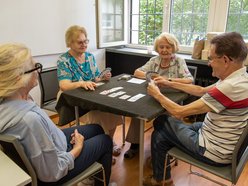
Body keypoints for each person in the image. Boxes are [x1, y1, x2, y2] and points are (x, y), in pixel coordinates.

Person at [143, 32, 248, 185]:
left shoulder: (228, 87)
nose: (209, 63)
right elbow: (200, 90)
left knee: (161, 121)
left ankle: (160, 177)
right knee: (160, 135)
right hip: (218, 137)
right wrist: (169, 82)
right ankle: (161, 177)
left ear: (225, 60)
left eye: (211, 58)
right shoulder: (239, 78)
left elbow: (179, 111)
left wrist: (157, 94)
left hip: (213, 151)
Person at [0, 43, 113, 185]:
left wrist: (56, 138)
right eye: (35, 67)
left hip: (55, 149)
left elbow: (42, 137)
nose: (38, 72)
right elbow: (53, 172)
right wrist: (77, 147)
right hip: (56, 172)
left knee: (96, 128)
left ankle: (92, 174)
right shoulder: (28, 120)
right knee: (106, 140)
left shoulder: (11, 102)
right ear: (18, 78)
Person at [124, 32, 194, 159]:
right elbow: (137, 72)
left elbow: (189, 80)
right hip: (153, 96)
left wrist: (167, 81)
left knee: (166, 119)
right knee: (137, 112)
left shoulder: (179, 61)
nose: (164, 50)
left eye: (168, 47)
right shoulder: (154, 60)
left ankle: (166, 147)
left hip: (172, 98)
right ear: (157, 48)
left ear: (174, 48)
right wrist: (152, 76)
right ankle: (135, 144)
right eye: (161, 47)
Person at [57, 25, 122, 158]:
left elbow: (95, 77)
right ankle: (101, 148)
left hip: (91, 94)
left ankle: (109, 142)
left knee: (113, 111)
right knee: (98, 116)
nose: (84, 44)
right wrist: (81, 83)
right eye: (80, 42)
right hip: (71, 98)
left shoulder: (90, 57)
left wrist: (102, 77)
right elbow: (64, 85)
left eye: (86, 41)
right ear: (70, 43)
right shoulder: (64, 60)